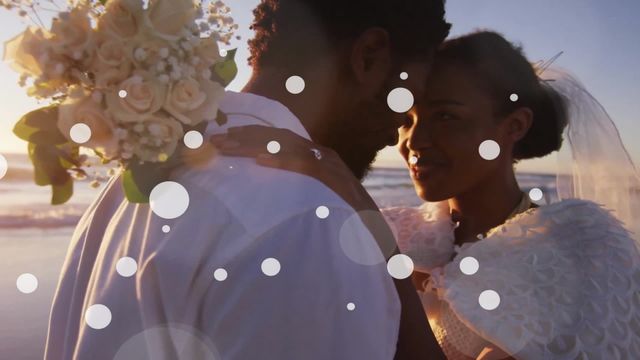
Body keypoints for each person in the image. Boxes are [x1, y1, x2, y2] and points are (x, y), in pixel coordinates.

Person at [44, 1, 451, 359]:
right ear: (369, 56)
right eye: (409, 92)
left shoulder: (128, 185)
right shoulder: (309, 221)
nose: (403, 127)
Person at [210, 31, 640, 359]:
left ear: (514, 126)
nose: (414, 141)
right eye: (406, 118)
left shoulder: (577, 248)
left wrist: (366, 220)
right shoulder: (402, 229)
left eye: (446, 117)